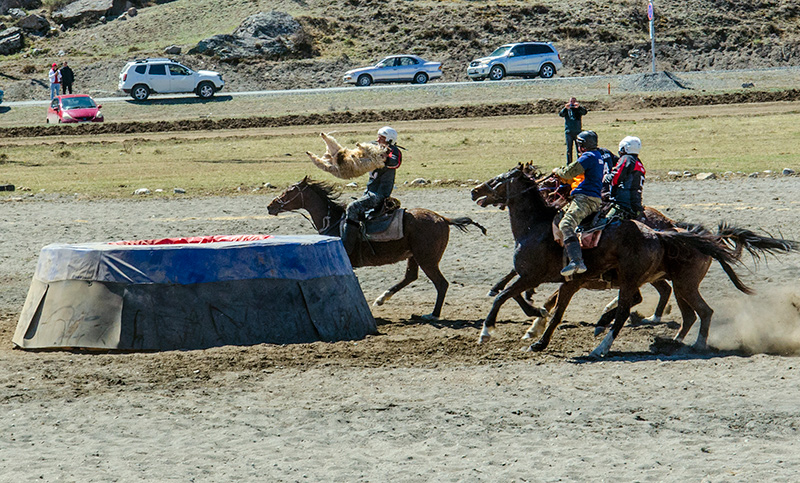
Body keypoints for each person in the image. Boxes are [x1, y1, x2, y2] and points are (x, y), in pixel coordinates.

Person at [341, 126, 402, 255]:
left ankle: (346, 251)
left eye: (382, 137)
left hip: (379, 194)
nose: (378, 139)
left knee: (352, 208)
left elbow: (395, 163)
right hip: (368, 191)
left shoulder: (393, 151)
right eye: (378, 136)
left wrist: (385, 156)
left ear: (389, 139)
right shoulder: (374, 147)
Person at [552, 130, 605, 277]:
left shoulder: (588, 156)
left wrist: (557, 171)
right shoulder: (598, 156)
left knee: (566, 224)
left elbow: (569, 173)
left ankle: (577, 261)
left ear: (582, 146)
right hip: (591, 197)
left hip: (585, 199)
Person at [605, 136, 645, 220]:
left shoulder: (626, 159)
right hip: (636, 202)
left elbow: (616, 178)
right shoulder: (638, 162)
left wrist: (607, 177)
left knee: (603, 223)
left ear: (624, 148)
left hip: (623, 203)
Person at [559, 97, 588, 164]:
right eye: (571, 101)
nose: (572, 103)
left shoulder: (578, 110)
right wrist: (565, 108)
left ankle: (580, 163)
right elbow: (561, 114)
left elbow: (585, 112)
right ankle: (569, 163)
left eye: (574, 101)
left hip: (577, 131)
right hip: (569, 132)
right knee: (569, 149)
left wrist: (579, 107)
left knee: (579, 148)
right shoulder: (567, 110)